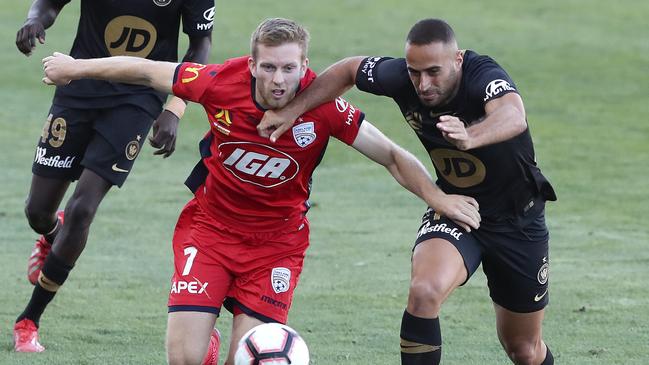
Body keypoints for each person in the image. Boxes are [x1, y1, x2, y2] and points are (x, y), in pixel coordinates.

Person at [42, 18, 482, 365]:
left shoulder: (323, 105)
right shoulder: (219, 82)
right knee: (183, 358)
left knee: (250, 357)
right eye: (268, 66)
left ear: (304, 66)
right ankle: (204, 343)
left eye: (290, 68)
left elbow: (391, 154)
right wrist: (74, 69)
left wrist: (437, 199)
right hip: (210, 232)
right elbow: (145, 70)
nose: (278, 79)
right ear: (252, 64)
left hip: (276, 248)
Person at [257, 18, 557, 365]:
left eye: (433, 72)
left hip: (519, 221)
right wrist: (293, 110)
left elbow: (513, 115)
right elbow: (350, 70)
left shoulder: (483, 75)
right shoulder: (401, 78)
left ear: (457, 60)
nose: (423, 84)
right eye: (415, 72)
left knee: (524, 350)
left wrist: (470, 136)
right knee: (424, 292)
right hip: (457, 209)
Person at [13, 0, 214, 353]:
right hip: (79, 84)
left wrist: (175, 108)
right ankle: (52, 235)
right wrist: (34, 21)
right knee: (37, 212)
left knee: (82, 210)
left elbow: (200, 45)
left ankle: (29, 321)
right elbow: (49, 3)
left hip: (138, 98)